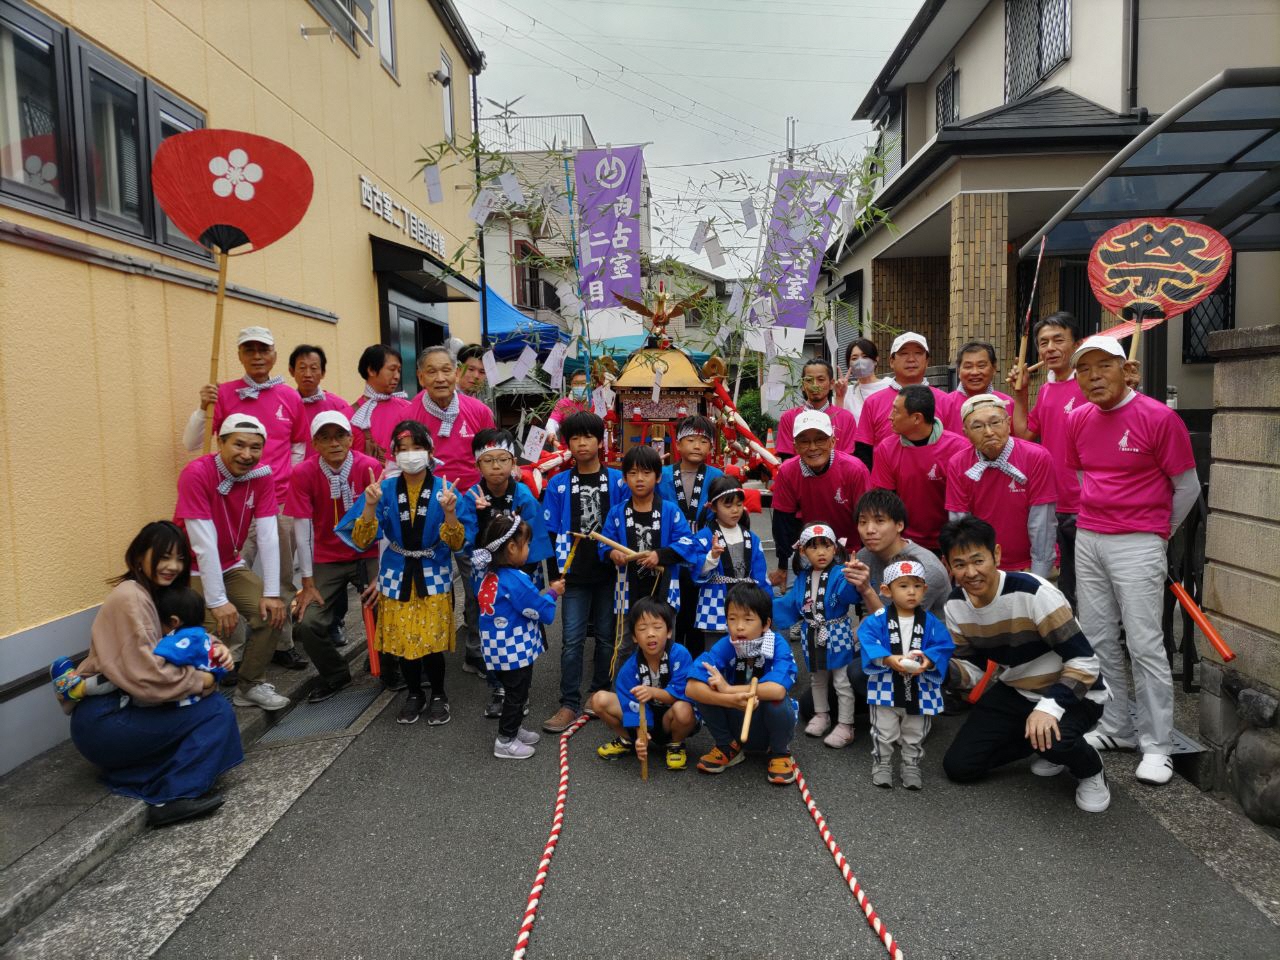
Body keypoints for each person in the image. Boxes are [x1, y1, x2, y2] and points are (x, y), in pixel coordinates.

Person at [1065, 335, 1199, 786]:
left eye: (1105, 366)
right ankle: (1116, 725)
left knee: (1144, 644)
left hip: (1138, 541)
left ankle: (1157, 744)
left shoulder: (1158, 418)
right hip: (1090, 536)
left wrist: (1158, 532)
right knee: (1098, 636)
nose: (1094, 376)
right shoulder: (1078, 418)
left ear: (1128, 370)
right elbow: (1085, 475)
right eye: (1085, 369)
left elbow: (1187, 487)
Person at [65, 521, 242, 828]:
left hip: (116, 711)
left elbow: (184, 635)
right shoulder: (131, 597)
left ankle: (135, 772)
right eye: (163, 557)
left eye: (180, 558)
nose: (172, 566)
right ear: (138, 557)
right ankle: (172, 797)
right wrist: (202, 680)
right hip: (104, 718)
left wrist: (216, 650)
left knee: (207, 711)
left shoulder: (152, 593)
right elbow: (148, 674)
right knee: (213, 713)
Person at [938, 517, 1111, 813]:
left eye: (978, 560)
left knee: (1058, 742)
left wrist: (1049, 708)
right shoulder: (955, 605)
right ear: (948, 566)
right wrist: (933, 670)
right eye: (960, 564)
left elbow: (1084, 661)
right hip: (1017, 688)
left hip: (1075, 692)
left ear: (997, 555)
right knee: (960, 766)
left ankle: (1090, 769)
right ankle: (1040, 743)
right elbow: (972, 670)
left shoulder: (1034, 593)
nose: (971, 572)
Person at [182, 325, 307, 669]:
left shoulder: (289, 396)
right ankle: (227, 655)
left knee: (278, 575)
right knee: (228, 571)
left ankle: (282, 644)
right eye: (249, 350)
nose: (257, 356)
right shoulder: (222, 392)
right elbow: (192, 443)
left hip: (275, 499)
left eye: (263, 349)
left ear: (274, 355)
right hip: (229, 499)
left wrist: (286, 478)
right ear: (239, 355)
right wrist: (200, 408)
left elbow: (297, 445)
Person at [336, 420, 466, 726]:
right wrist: (369, 505)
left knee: (432, 641)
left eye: (417, 448)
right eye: (402, 450)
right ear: (393, 454)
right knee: (403, 641)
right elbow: (362, 539)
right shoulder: (383, 489)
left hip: (432, 571)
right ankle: (413, 693)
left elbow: (457, 542)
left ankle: (437, 693)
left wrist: (450, 512)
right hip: (395, 573)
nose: (410, 455)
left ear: (430, 451)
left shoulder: (444, 490)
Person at [174, 414, 290, 711]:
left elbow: (268, 535)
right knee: (211, 630)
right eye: (239, 445)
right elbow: (203, 544)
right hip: (190, 568)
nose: (247, 454)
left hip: (230, 563)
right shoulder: (196, 473)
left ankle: (250, 685)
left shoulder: (261, 475)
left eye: (255, 447)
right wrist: (217, 600)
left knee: (272, 613)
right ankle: (195, 698)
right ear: (220, 442)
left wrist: (273, 593)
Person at [409, 345, 497, 682]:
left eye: (447, 370)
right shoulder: (411, 413)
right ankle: (429, 651)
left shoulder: (477, 410)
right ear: (421, 377)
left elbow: (490, 457)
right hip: (426, 511)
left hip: (471, 511)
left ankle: (475, 650)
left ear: (456, 373)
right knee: (429, 584)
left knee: (478, 581)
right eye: (432, 371)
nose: (441, 377)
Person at [456, 428, 556, 718]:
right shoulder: (471, 497)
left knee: (521, 628)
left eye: (503, 459)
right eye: (489, 461)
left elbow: (536, 539)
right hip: (486, 578)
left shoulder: (523, 495)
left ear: (514, 463)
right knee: (490, 632)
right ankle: (497, 687)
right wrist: (481, 515)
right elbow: (467, 540)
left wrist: (520, 578)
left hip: (520, 576)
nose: (496, 466)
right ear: (478, 465)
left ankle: (518, 689)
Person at [541, 412, 630, 733]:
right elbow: (549, 532)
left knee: (608, 637)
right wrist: (554, 576)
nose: (581, 443)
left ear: (599, 441)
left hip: (611, 573)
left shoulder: (619, 481)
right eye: (575, 438)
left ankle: (599, 692)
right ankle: (568, 702)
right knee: (572, 639)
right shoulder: (559, 484)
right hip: (573, 574)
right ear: (568, 443)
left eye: (588, 437)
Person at [286, 411, 382, 702]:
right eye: (325, 438)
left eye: (340, 435)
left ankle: (387, 663)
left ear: (351, 438)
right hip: (327, 557)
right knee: (308, 621)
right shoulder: (303, 473)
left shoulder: (370, 466)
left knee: (386, 603)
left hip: (368, 552)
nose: (334, 443)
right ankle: (336, 675)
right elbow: (302, 528)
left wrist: (383, 573)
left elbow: (385, 519)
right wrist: (307, 580)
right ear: (314, 444)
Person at [473, 513, 565, 760]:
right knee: (517, 694)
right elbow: (541, 611)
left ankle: (513, 730)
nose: (529, 550)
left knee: (514, 691)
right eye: (527, 545)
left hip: (495, 648)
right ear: (512, 548)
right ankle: (505, 740)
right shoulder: (515, 580)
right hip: (513, 650)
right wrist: (553, 593)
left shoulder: (485, 573)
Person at [686, 583, 798, 784]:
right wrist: (729, 700)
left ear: (765, 624)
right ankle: (728, 746)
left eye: (748, 619)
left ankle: (779, 752)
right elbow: (691, 687)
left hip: (766, 723)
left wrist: (729, 689)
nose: (738, 627)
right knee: (705, 687)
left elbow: (778, 690)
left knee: (777, 702)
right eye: (732, 619)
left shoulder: (778, 644)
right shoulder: (726, 645)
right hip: (736, 720)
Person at [1009, 312, 1086, 606]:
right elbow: (1024, 433)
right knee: (1063, 586)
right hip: (1053, 501)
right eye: (1043, 343)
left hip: (1085, 503)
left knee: (1087, 586)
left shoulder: (1089, 387)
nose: (1050, 348)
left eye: (1058, 340)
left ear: (1076, 344)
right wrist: (1022, 392)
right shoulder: (1046, 389)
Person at [601, 445, 700, 671]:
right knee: (625, 644)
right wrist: (611, 552)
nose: (639, 479)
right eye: (633, 473)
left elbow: (688, 544)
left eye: (646, 473)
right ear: (624, 478)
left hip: (664, 591)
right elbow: (602, 542)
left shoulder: (670, 511)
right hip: (627, 589)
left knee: (665, 644)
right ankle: (624, 698)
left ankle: (665, 696)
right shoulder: (617, 512)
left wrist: (660, 555)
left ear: (657, 477)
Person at [858, 559, 953, 789]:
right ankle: (882, 764)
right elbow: (866, 637)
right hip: (886, 684)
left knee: (915, 730)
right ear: (886, 590)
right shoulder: (877, 620)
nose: (911, 591)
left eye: (917, 586)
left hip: (921, 687)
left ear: (925, 589)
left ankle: (911, 765)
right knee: (884, 729)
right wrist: (889, 658)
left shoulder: (930, 622)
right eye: (903, 585)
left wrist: (929, 660)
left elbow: (944, 645)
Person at [946, 394, 1057, 578]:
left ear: (1008, 423)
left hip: (1029, 565)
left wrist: (1038, 578)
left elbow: (1042, 523)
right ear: (965, 431)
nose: (988, 432)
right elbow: (960, 525)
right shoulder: (958, 463)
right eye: (978, 426)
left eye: (995, 422)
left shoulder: (1036, 457)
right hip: (982, 569)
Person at [773, 524, 860, 749]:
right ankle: (822, 715)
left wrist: (853, 578)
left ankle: (846, 724)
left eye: (826, 546)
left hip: (837, 630)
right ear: (803, 551)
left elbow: (850, 596)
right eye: (814, 548)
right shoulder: (802, 577)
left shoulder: (841, 573)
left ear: (835, 548)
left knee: (842, 681)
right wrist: (763, 604)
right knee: (817, 678)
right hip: (810, 631)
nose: (821, 552)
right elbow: (789, 603)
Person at [589, 598, 699, 771]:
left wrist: (653, 692)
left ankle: (676, 743)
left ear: (669, 631)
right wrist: (641, 734)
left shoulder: (680, 654)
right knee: (598, 700)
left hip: (670, 717)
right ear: (634, 636)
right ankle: (630, 740)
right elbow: (631, 704)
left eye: (657, 627)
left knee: (684, 709)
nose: (650, 634)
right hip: (642, 714)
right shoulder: (629, 668)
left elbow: (685, 692)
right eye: (642, 628)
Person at [769, 409, 871, 589]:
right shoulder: (787, 471)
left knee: (862, 602)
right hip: (809, 551)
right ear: (795, 446)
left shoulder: (855, 469)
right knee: (806, 604)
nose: (813, 447)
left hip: (851, 550)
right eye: (804, 441)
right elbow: (783, 522)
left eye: (820, 439)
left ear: (833, 441)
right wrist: (784, 565)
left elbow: (866, 517)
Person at [869, 384, 969, 553]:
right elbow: (884, 503)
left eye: (896, 411)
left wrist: (955, 549)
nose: (889, 417)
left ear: (916, 418)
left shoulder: (959, 449)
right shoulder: (886, 448)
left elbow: (965, 506)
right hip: (903, 543)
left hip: (951, 543)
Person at [658, 415, 724, 653]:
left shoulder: (717, 476)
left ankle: (697, 675)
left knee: (699, 617)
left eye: (704, 441)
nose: (697, 446)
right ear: (677, 444)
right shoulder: (662, 475)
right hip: (671, 555)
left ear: (711, 447)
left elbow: (724, 516)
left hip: (704, 556)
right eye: (691, 440)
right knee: (671, 615)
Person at [689, 476, 770, 655]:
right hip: (715, 603)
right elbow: (694, 573)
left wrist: (766, 605)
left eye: (739, 504)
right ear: (713, 507)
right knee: (716, 654)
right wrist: (711, 557)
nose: (735, 510)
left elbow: (761, 575)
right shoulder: (704, 536)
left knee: (745, 654)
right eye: (728, 505)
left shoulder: (751, 538)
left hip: (747, 600)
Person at [854, 332, 951, 469]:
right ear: (891, 361)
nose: (911, 359)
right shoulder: (873, 402)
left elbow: (955, 449)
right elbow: (864, 451)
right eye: (904, 353)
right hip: (885, 484)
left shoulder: (945, 401)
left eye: (918, 353)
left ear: (927, 361)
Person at [848, 490, 951, 618]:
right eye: (863, 522)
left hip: (924, 635)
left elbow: (897, 626)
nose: (869, 530)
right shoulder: (864, 556)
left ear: (899, 525)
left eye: (879, 521)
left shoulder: (925, 568)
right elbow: (868, 615)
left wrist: (867, 590)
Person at [775, 358, 858, 458]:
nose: (815, 385)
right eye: (809, 380)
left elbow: (849, 459)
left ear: (831, 384)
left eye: (821, 380)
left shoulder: (846, 418)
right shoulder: (788, 418)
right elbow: (786, 459)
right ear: (802, 385)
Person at [289, 344, 354, 454]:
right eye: (302, 368)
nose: (308, 374)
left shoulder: (339, 406)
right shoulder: (285, 404)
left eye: (314, 368)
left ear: (323, 373)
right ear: (292, 371)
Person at [350, 344, 410, 461]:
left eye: (399, 370)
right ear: (371, 370)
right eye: (392, 369)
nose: (397, 376)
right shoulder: (349, 415)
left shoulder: (409, 408)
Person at [938, 341, 1012, 434]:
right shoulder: (944, 404)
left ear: (994, 368)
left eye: (981, 366)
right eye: (968, 366)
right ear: (958, 370)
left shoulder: (1008, 402)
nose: (975, 372)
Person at [834, 337, 892, 425]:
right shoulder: (847, 392)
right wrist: (839, 397)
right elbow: (839, 425)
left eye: (865, 356)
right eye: (854, 358)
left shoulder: (890, 385)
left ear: (876, 359)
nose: (860, 361)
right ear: (849, 363)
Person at [545, 369, 591, 441]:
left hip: (591, 447)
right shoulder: (563, 403)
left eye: (583, 383)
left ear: (588, 385)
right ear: (571, 385)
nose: (579, 386)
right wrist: (551, 432)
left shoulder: (594, 403)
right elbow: (552, 421)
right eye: (576, 383)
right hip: (568, 449)